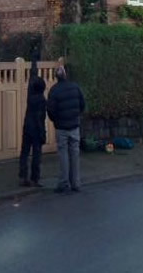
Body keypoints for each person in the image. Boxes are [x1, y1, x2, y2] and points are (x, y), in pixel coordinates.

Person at [47, 65, 85, 193]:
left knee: (63, 154)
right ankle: (76, 183)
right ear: (65, 75)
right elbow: (82, 104)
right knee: (75, 154)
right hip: (74, 126)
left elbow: (50, 110)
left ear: (56, 77)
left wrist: (56, 121)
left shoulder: (54, 90)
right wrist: (76, 115)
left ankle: (64, 183)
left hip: (61, 127)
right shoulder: (75, 87)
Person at [18, 75, 47, 187]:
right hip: (36, 129)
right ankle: (35, 178)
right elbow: (40, 118)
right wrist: (43, 133)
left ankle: (23, 176)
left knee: (24, 152)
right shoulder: (42, 100)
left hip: (27, 126)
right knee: (36, 154)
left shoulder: (30, 97)